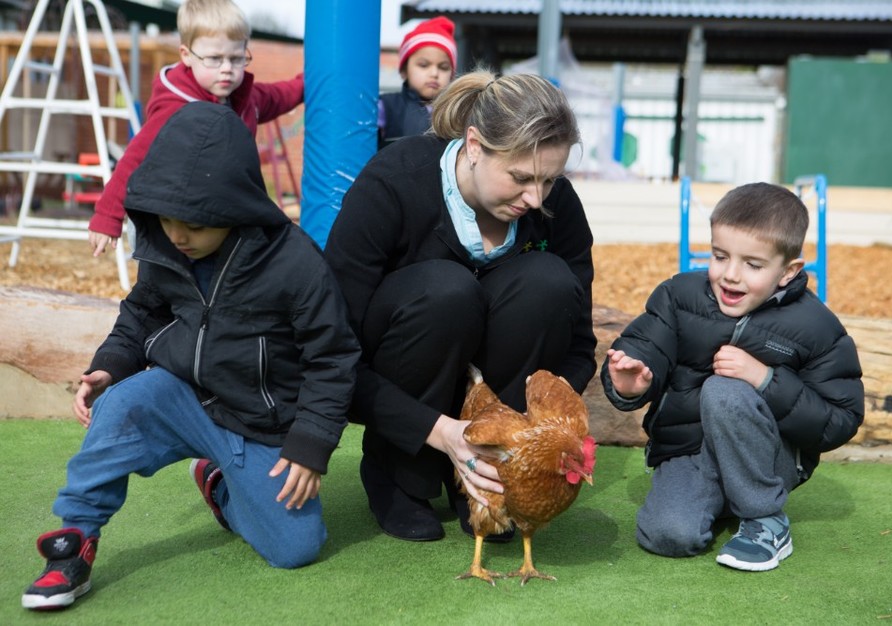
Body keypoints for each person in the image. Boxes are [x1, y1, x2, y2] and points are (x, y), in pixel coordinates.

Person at [21, 102, 360, 611]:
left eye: (196, 225)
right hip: (185, 396)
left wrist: (310, 446)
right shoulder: (167, 246)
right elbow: (140, 313)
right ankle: (74, 541)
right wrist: (109, 364)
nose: (179, 235)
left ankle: (221, 484)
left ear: (235, 207)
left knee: (297, 548)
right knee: (122, 405)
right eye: (169, 219)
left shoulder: (295, 263)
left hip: (259, 426)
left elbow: (333, 357)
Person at [325, 70, 597, 542]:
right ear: (474, 144)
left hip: (501, 426)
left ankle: (486, 481)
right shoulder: (391, 184)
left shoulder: (557, 207)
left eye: (549, 180)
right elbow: (333, 349)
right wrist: (438, 430)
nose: (536, 199)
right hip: (407, 393)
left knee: (547, 282)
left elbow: (578, 345)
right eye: (520, 177)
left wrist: (533, 432)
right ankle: (400, 475)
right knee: (447, 290)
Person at [601, 182, 864, 572]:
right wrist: (631, 382)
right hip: (690, 450)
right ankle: (719, 500)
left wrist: (764, 379)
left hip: (769, 459)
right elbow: (645, 344)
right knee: (668, 535)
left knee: (724, 389)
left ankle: (764, 518)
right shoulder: (679, 295)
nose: (730, 275)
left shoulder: (816, 327)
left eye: (753, 265)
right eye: (720, 256)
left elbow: (840, 419)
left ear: (788, 271)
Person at [88, 0, 303, 257]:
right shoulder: (176, 109)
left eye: (236, 59)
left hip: (212, 220)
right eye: (214, 59)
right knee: (168, 284)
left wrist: (313, 79)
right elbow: (135, 159)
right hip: (166, 225)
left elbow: (280, 96)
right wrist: (107, 215)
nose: (227, 69)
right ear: (186, 55)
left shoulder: (245, 99)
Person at [377, 16, 456, 148]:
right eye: (424, 65)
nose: (434, 73)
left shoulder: (456, 114)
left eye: (443, 67)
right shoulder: (385, 107)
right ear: (404, 70)